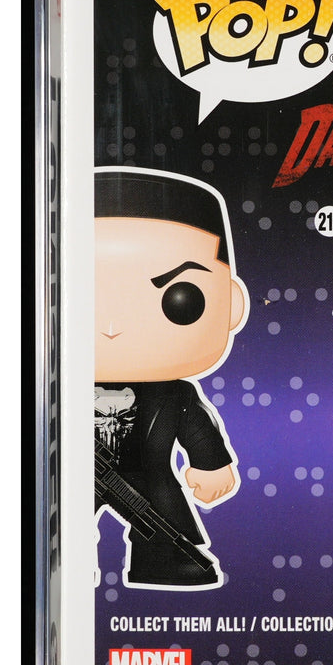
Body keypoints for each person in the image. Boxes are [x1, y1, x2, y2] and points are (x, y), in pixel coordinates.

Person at [94, 167, 248, 588]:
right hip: (71, 475)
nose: (112, 328)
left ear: (231, 305)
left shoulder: (173, 394)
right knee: (55, 526)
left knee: (161, 525)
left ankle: (162, 562)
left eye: (179, 299)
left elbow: (194, 424)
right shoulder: (54, 391)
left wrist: (210, 463)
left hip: (147, 476)